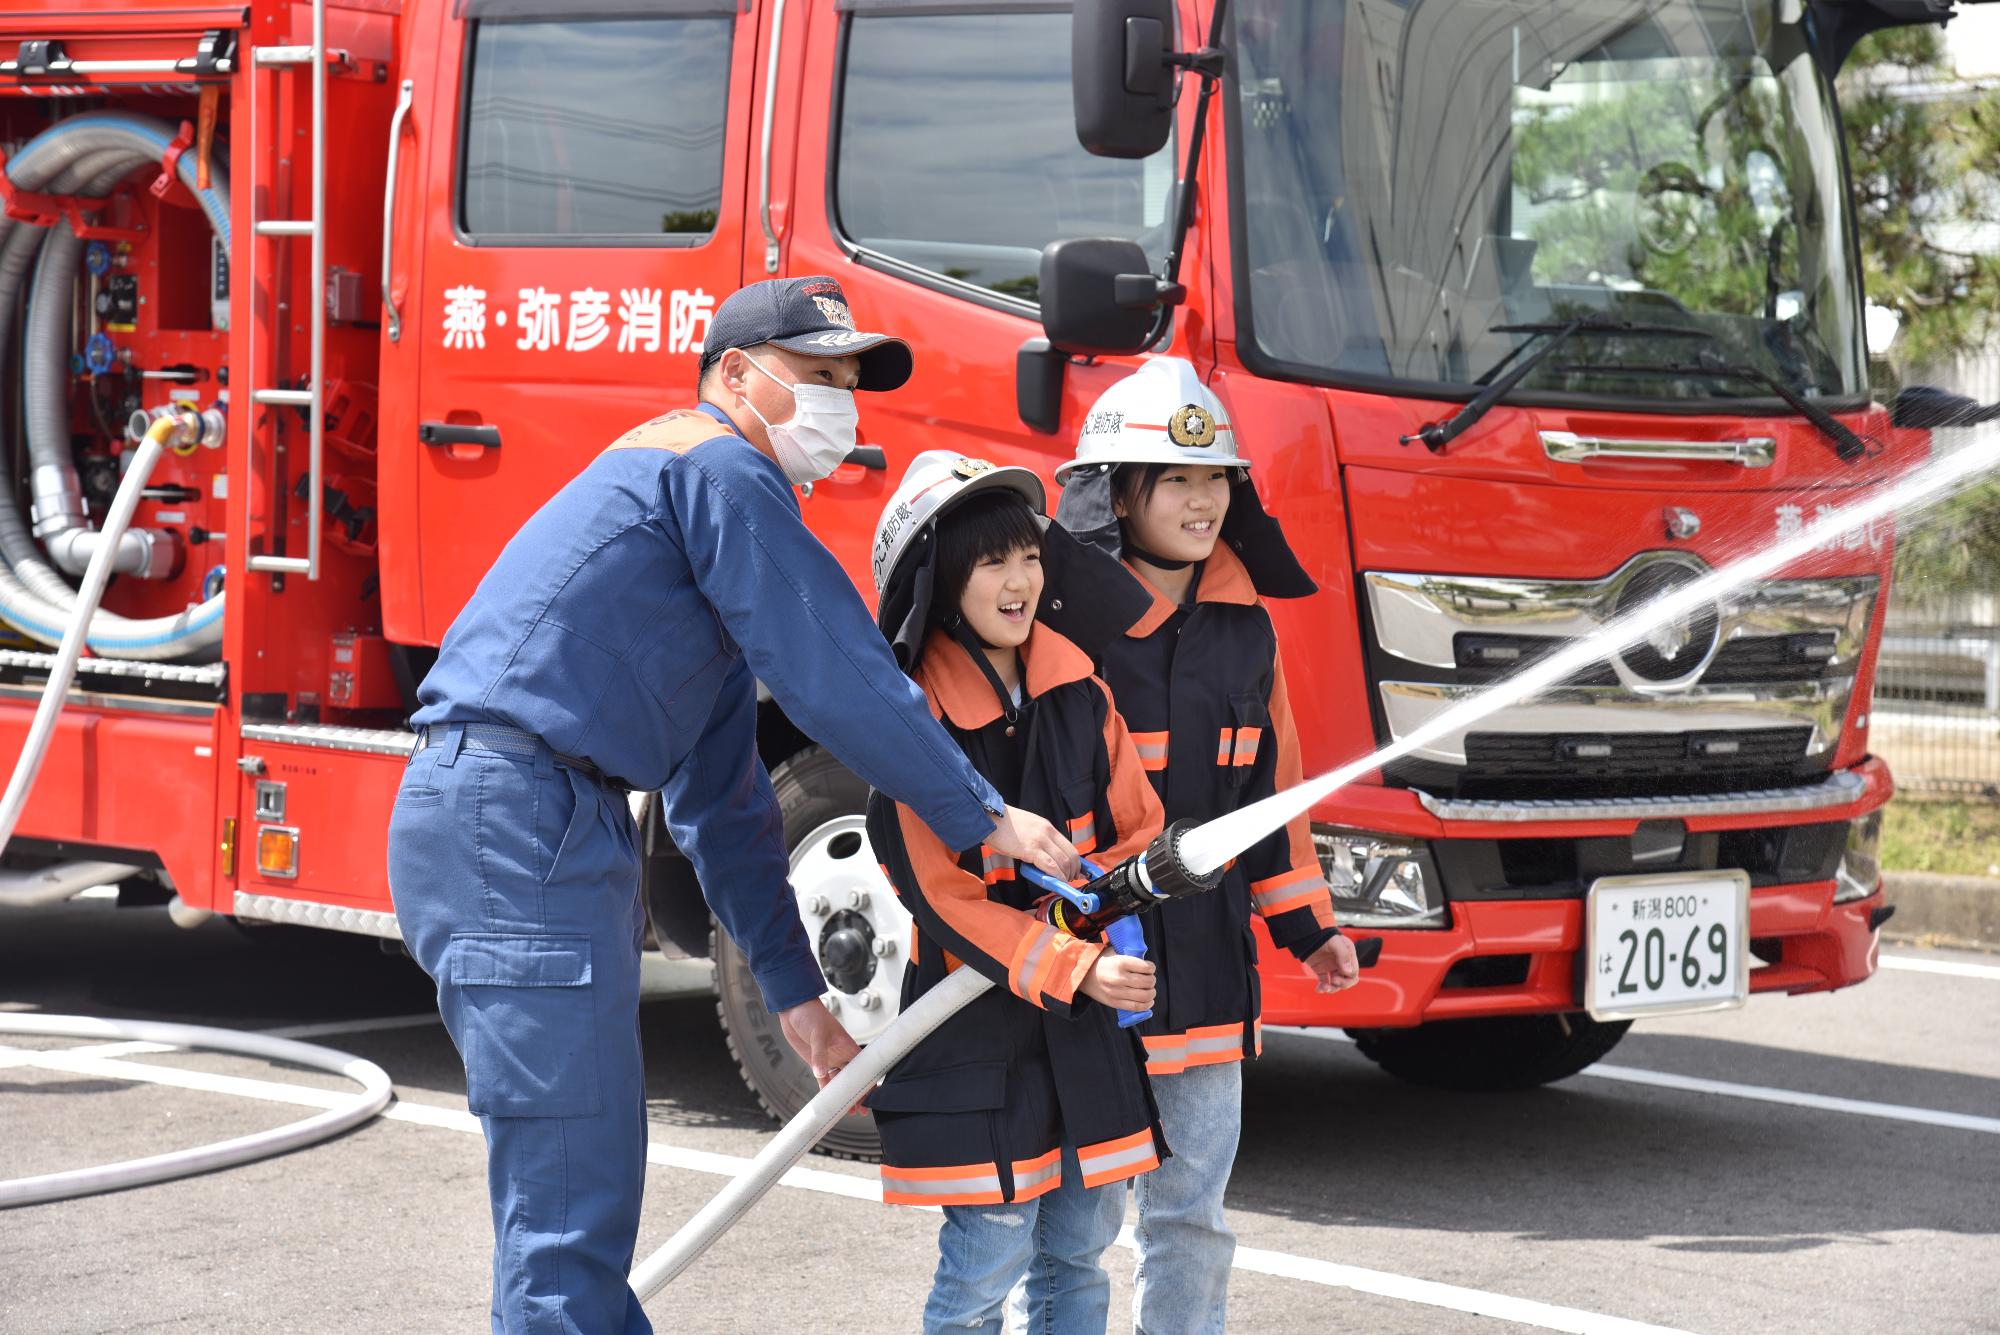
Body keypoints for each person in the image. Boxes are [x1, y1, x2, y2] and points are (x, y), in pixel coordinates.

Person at [386, 277, 1081, 1335]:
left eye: (852, 384)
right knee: (569, 1205)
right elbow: (836, 671)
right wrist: (982, 811)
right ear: (736, 375)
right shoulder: (716, 466)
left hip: (530, 818)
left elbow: (724, 805)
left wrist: (797, 996)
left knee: (582, 1190)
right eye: (818, 377)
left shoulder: (687, 533)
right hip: (514, 816)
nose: (840, 408)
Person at [1051, 357, 1361, 1335]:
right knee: (1077, 1218)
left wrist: (1308, 925)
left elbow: (1268, 796)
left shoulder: (1244, 628)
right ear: (1115, 493)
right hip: (1099, 975)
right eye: (1173, 480)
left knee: (1191, 1216)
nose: (1200, 501)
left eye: (1214, 478)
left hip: (1212, 979)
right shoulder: (1061, 625)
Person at [863, 452, 1167, 1335]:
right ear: (940, 581)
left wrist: (1113, 913)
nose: (1020, 579)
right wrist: (1078, 963)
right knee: (981, 1278)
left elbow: (1138, 830)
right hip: (978, 1041)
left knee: (1080, 1259)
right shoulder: (912, 723)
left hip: (1086, 1031)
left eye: (1029, 555)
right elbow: (943, 895)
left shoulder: (1083, 690)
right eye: (991, 561)